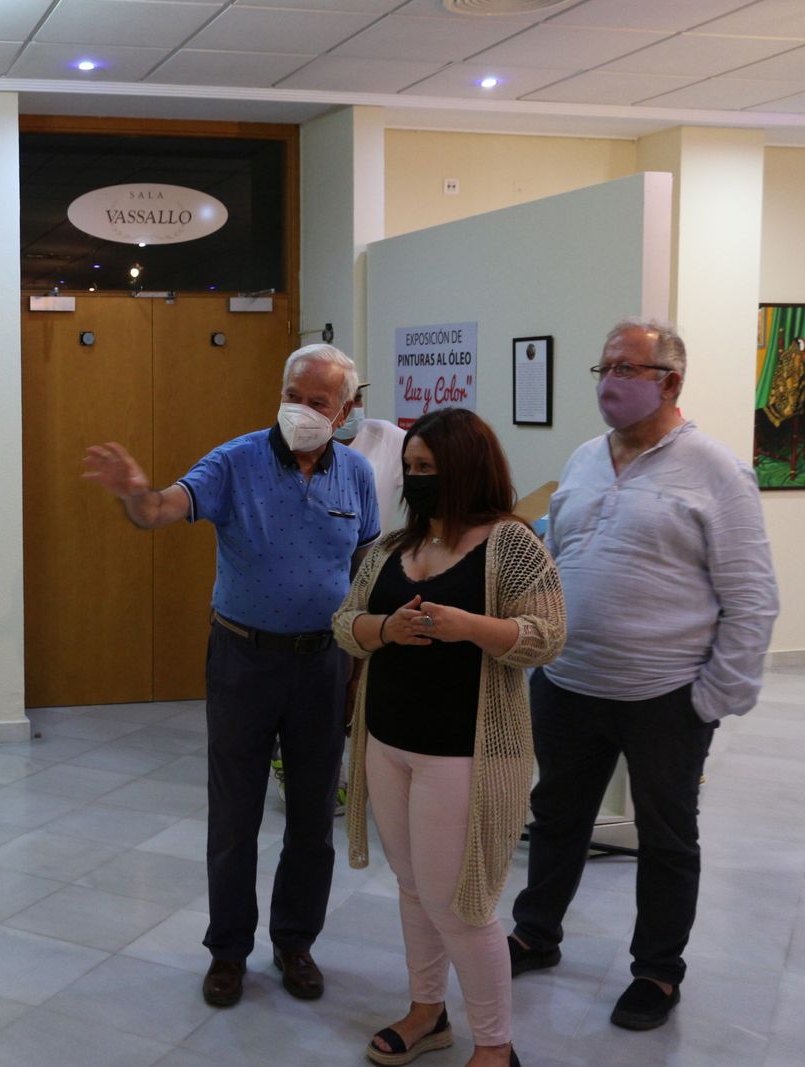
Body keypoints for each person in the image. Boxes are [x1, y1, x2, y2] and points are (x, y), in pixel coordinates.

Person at [83, 343, 379, 1009]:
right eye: (293, 395)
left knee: (311, 814)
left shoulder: (355, 475)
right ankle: (228, 951)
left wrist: (360, 667)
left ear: (348, 410)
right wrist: (136, 493)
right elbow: (161, 509)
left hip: (323, 662)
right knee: (235, 811)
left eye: (318, 403)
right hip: (244, 659)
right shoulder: (236, 460)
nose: (301, 411)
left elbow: (367, 571)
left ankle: (295, 941)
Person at [508, 318, 780, 1031]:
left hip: (665, 698)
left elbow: (752, 596)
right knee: (557, 817)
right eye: (603, 367)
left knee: (667, 836)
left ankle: (657, 972)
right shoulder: (582, 459)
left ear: (671, 382)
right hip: (568, 683)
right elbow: (556, 552)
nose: (609, 381)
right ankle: (536, 932)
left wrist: (711, 698)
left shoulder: (716, 470)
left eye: (627, 368)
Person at [334, 407, 565, 1067]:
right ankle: (427, 1011)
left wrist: (469, 626)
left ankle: (496, 1044)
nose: (415, 480)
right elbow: (347, 621)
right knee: (411, 885)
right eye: (410, 469)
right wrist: (386, 630)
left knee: (459, 902)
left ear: (466, 469)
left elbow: (546, 636)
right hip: (388, 742)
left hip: (462, 753)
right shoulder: (391, 549)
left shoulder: (511, 543)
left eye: (428, 469)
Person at [335, 381, 407, 532]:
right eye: (341, 400)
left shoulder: (386, 435)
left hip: (372, 553)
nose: (352, 408)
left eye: (357, 398)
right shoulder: (305, 446)